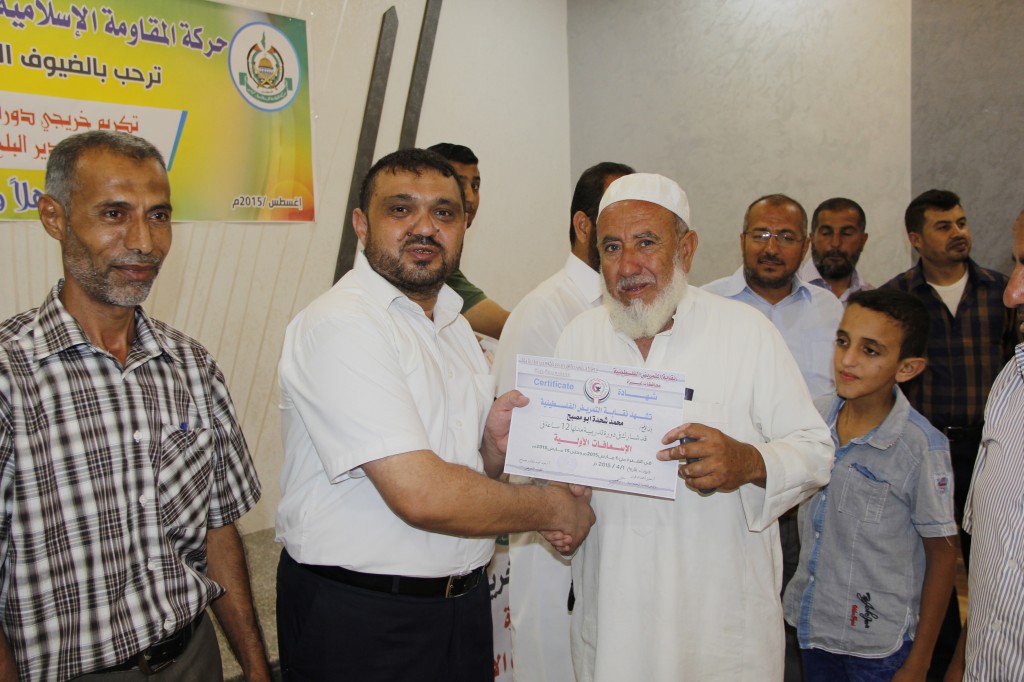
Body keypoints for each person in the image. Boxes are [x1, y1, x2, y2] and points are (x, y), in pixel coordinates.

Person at [275, 148, 596, 682]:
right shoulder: (342, 324)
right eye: (401, 209)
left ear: (464, 225)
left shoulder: (453, 325)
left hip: (459, 610)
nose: (425, 227)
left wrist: (490, 449)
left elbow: (464, 476)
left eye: (444, 213)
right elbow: (421, 494)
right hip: (363, 619)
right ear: (361, 224)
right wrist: (552, 508)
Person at [0, 131, 270, 682]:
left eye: (159, 216)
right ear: (54, 217)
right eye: (114, 214)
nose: (144, 241)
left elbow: (218, 531)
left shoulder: (192, 365)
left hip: (193, 658)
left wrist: (256, 668)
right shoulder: (10, 376)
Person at [555, 173, 833, 681]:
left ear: (686, 249)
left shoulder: (745, 332)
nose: (627, 265)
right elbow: (558, 464)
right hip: (614, 615)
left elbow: (816, 450)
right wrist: (557, 503)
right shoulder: (578, 338)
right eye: (612, 247)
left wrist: (748, 461)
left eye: (646, 243)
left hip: (718, 623)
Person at [491, 160, 633, 682]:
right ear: (583, 225)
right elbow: (521, 446)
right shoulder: (545, 310)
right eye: (615, 225)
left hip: (623, 543)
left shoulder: (640, 306)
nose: (629, 244)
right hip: (557, 545)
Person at [783, 289, 957, 681]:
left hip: (879, 646)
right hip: (813, 626)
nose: (847, 360)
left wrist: (920, 661)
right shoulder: (814, 417)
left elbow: (943, 556)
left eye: (870, 351)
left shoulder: (921, 448)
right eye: (843, 341)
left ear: (907, 368)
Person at [881, 189, 1016, 676]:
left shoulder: (1001, 292)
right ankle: (935, 665)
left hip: (988, 451)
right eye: (943, 226)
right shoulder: (898, 298)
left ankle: (983, 659)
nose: (958, 233)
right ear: (916, 239)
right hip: (923, 454)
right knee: (929, 566)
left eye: (961, 222)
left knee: (991, 565)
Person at [943, 207, 1024, 682]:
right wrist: (961, 665)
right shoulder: (1011, 382)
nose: (1012, 294)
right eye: (1016, 264)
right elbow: (996, 571)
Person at [703, 193, 844, 399]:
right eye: (760, 235)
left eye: (786, 238)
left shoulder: (828, 307)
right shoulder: (706, 304)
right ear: (743, 241)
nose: (771, 249)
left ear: (805, 247)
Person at [427, 142, 510, 338]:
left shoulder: (446, 260)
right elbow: (509, 327)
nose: (471, 198)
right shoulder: (426, 256)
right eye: (460, 184)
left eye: (475, 186)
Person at [798, 197, 874, 304]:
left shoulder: (873, 302)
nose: (835, 243)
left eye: (846, 234)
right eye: (826, 233)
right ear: (812, 238)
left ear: (863, 241)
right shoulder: (785, 291)